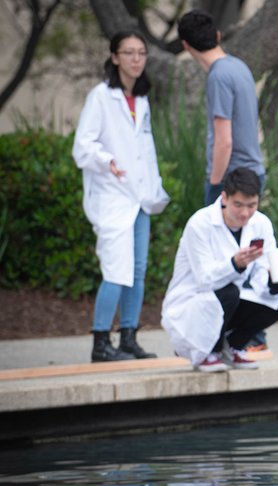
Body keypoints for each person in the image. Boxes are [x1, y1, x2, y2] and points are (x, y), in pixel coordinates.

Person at [72, 30, 170, 363]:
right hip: (113, 196)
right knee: (116, 270)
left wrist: (155, 189)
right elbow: (82, 147)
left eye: (141, 53)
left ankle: (128, 337)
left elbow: (146, 151)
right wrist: (107, 161)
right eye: (128, 53)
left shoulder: (140, 100)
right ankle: (101, 343)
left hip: (140, 198)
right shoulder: (101, 96)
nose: (136, 59)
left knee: (138, 272)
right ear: (114, 57)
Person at [161, 168, 278, 372]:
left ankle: (234, 347)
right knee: (229, 292)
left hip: (229, 301)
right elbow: (204, 280)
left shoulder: (261, 223)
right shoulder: (200, 223)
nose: (245, 213)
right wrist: (235, 264)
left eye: (252, 205)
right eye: (238, 205)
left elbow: (260, 278)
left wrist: (275, 281)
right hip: (191, 304)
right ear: (224, 198)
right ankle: (209, 351)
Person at [177, 9, 266, 206]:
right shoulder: (238, 66)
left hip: (232, 180)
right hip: (253, 174)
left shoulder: (218, 77)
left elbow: (224, 140)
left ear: (185, 45)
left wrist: (214, 183)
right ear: (217, 35)